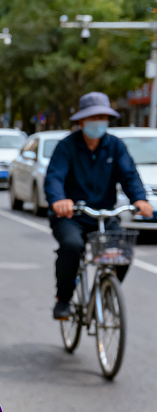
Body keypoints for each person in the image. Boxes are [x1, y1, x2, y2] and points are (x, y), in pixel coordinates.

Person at [44, 92, 153, 320]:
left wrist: (140, 199)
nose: (99, 122)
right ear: (82, 121)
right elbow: (54, 177)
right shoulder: (67, 146)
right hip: (71, 216)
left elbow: (129, 175)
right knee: (72, 247)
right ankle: (63, 299)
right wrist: (59, 200)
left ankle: (106, 291)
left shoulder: (115, 146)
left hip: (104, 214)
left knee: (123, 249)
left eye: (103, 117)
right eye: (94, 117)